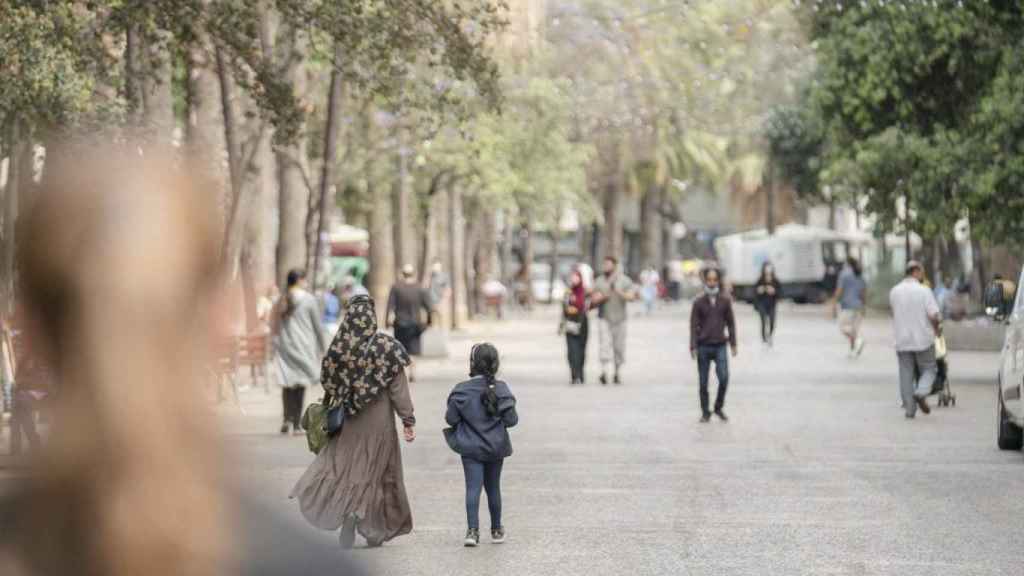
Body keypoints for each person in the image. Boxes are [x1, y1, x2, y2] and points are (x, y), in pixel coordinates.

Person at [291, 295, 416, 549]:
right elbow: (397, 388)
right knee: (377, 472)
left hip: (347, 422)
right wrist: (408, 419)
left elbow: (328, 382)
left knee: (345, 470)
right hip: (379, 423)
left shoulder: (339, 348)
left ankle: (348, 512)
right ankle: (372, 529)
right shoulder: (387, 347)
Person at [444, 343, 518, 547]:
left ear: (472, 364)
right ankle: (496, 529)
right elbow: (512, 420)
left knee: (473, 488)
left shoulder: (461, 390)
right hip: (496, 447)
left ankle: (472, 532)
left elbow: (451, 419)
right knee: (493, 488)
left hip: (470, 448)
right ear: (496, 365)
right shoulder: (501, 389)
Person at [272, 269, 328, 435]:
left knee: (287, 382)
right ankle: (296, 424)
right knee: (300, 384)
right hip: (304, 345)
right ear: (300, 280)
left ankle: (286, 419)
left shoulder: (280, 299)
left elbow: (274, 323)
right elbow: (317, 325)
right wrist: (323, 347)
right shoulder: (309, 300)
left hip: (285, 346)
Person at [889, 260, 943, 419]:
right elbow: (934, 315)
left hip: (902, 340)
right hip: (923, 339)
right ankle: (921, 392)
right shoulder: (924, 291)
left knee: (905, 374)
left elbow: (893, 313)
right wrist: (937, 329)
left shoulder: (894, 291)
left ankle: (910, 409)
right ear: (916, 272)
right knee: (929, 369)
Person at [690, 268, 738, 423]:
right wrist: (693, 346)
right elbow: (693, 325)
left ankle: (718, 407)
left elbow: (731, 323)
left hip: (720, 345)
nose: (711, 283)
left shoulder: (725, 300)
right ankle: (705, 412)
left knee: (724, 377)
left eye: (714, 280)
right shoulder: (698, 302)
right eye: (709, 280)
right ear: (705, 281)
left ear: (718, 281)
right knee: (703, 382)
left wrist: (733, 343)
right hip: (703, 345)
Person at [592, 257, 636, 385]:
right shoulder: (599, 281)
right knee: (604, 345)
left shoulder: (625, 280)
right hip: (604, 318)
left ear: (615, 266)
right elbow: (594, 299)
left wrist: (618, 291)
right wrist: (604, 296)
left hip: (620, 319)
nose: (605, 267)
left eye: (608, 264)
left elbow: (632, 297)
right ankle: (604, 372)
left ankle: (617, 372)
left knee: (619, 347)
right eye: (604, 264)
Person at [387, 264, 433, 358]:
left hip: (400, 324)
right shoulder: (420, 288)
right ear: (414, 274)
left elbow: (390, 306)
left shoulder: (396, 287)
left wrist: (387, 322)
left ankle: (405, 371)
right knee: (414, 352)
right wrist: (429, 322)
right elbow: (429, 308)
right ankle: (412, 370)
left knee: (400, 351)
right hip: (415, 324)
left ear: (403, 274)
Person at [833, 257, 868, 358]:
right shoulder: (861, 274)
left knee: (843, 328)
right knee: (854, 330)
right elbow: (863, 292)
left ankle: (858, 340)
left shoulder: (844, 274)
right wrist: (864, 306)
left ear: (847, 263)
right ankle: (853, 349)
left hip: (847, 306)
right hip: (859, 306)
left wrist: (834, 303)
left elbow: (839, 290)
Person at [561, 269, 591, 385]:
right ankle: (574, 375)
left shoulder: (585, 292)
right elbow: (563, 307)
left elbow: (587, 305)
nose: (574, 279)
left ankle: (581, 373)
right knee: (571, 351)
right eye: (572, 277)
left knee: (581, 350)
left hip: (582, 322)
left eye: (576, 277)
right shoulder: (568, 292)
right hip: (570, 323)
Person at [754, 262, 781, 348]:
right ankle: (764, 338)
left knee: (772, 321)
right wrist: (759, 290)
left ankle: (769, 335)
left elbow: (780, 293)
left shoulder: (775, 281)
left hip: (772, 304)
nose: (768, 274)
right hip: (762, 303)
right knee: (763, 321)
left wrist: (774, 291)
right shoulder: (760, 280)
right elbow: (754, 292)